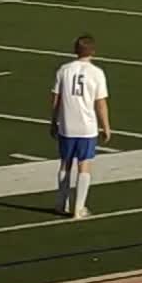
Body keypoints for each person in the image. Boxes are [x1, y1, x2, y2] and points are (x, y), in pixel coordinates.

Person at [50, 34, 110, 220]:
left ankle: (61, 203)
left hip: (67, 124)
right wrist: (106, 126)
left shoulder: (64, 70)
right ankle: (79, 207)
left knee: (65, 164)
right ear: (93, 51)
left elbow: (56, 99)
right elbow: (100, 103)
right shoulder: (96, 72)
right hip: (87, 126)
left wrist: (53, 121)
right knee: (84, 165)